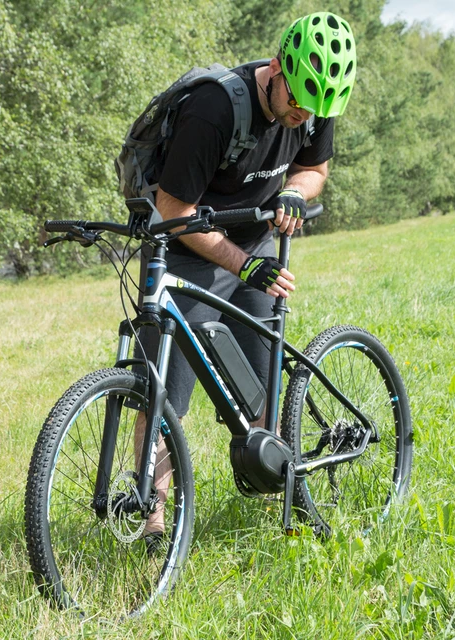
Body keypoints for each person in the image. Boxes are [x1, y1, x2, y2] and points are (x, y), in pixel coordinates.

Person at [134, 11, 357, 542]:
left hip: (256, 242)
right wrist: (243, 265)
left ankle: (284, 485)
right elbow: (171, 209)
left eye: (315, 108)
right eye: (296, 102)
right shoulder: (215, 110)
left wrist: (294, 193)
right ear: (276, 68)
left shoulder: (316, 100)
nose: (303, 115)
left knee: (265, 395)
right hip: (189, 244)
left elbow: (315, 168)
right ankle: (151, 521)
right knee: (161, 391)